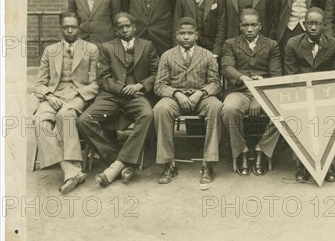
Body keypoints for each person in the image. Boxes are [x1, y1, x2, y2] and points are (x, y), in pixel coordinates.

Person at [77, 13, 158, 187]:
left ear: (134, 27)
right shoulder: (107, 47)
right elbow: (103, 78)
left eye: (128, 26)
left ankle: (116, 166)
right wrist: (122, 89)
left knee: (147, 115)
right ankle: (121, 161)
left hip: (137, 95)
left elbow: (155, 73)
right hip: (112, 95)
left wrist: (140, 86)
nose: (124, 30)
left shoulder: (147, 46)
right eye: (120, 27)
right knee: (84, 120)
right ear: (115, 30)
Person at [32, 11, 99, 194]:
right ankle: (69, 168)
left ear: (79, 28)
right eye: (65, 27)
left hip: (77, 96)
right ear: (60, 28)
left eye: (73, 27)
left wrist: (79, 96)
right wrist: (49, 96)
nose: (70, 30)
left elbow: (95, 83)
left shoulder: (90, 49)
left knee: (66, 115)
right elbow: (39, 84)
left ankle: (73, 167)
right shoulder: (50, 51)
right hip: (54, 96)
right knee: (40, 122)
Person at [153, 17, 223, 185]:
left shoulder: (207, 55)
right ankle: (168, 163)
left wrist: (200, 93)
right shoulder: (167, 56)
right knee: (160, 109)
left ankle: (208, 163)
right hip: (176, 99)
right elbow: (159, 85)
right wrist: (177, 94)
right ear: (176, 35)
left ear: (196, 35)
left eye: (190, 33)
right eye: (182, 33)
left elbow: (215, 83)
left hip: (201, 98)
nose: (186, 37)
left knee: (216, 106)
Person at [284, 7, 335, 183]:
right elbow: (291, 75)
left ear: (324, 25)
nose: (313, 27)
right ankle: (303, 164)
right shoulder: (293, 44)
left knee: (328, 115)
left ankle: (328, 162)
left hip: (326, 93)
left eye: (317, 24)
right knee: (301, 116)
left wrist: (321, 95)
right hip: (300, 92)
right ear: (303, 24)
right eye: (309, 23)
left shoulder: (334, 45)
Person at [221, 9, 282, 177]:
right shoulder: (230, 43)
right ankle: (241, 151)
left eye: (253, 25)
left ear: (260, 26)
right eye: (245, 25)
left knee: (284, 110)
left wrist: (259, 96)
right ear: (240, 26)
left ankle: (263, 149)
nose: (249, 29)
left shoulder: (272, 45)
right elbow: (227, 67)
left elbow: (276, 75)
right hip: (240, 90)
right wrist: (242, 78)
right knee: (229, 109)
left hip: (265, 92)